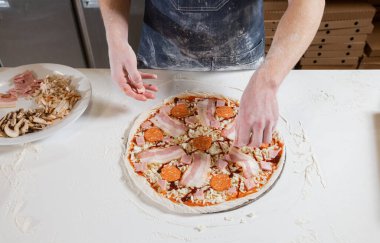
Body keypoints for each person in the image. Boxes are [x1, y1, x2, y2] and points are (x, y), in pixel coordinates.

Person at [100, 0, 324, 147]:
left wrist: (267, 82)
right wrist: (116, 38)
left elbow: (308, 4)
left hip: (244, 65)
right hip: (160, 61)